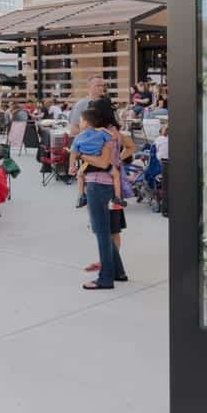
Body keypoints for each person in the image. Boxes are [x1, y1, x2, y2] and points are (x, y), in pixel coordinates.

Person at [76, 105, 128, 291]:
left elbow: (102, 162)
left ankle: (105, 278)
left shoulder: (100, 137)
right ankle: (118, 271)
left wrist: (80, 154)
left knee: (102, 233)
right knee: (106, 231)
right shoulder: (113, 134)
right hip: (107, 185)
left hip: (97, 184)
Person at [69, 108, 127, 210]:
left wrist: (71, 166)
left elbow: (73, 152)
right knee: (116, 175)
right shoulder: (101, 132)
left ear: (86, 123)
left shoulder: (78, 137)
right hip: (101, 161)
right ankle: (117, 197)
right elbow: (112, 137)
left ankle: (81, 196)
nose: (79, 122)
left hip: (89, 164)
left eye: (81, 120)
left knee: (80, 175)